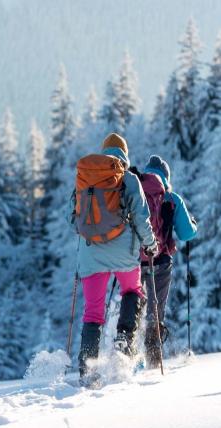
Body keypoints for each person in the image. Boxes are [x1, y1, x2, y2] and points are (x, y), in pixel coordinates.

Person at [71, 133, 157, 388]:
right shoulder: (128, 178)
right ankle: (124, 337)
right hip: (123, 251)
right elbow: (141, 217)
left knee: (93, 312)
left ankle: (88, 367)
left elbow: (72, 219)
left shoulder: (84, 178)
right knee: (133, 290)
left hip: (91, 253)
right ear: (125, 154)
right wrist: (150, 245)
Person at [136, 155, 197, 368]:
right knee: (155, 310)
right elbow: (187, 234)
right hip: (160, 262)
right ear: (166, 177)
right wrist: (193, 224)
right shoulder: (171, 198)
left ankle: (128, 357)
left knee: (132, 307)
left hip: (133, 263)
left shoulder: (136, 192)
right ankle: (153, 362)